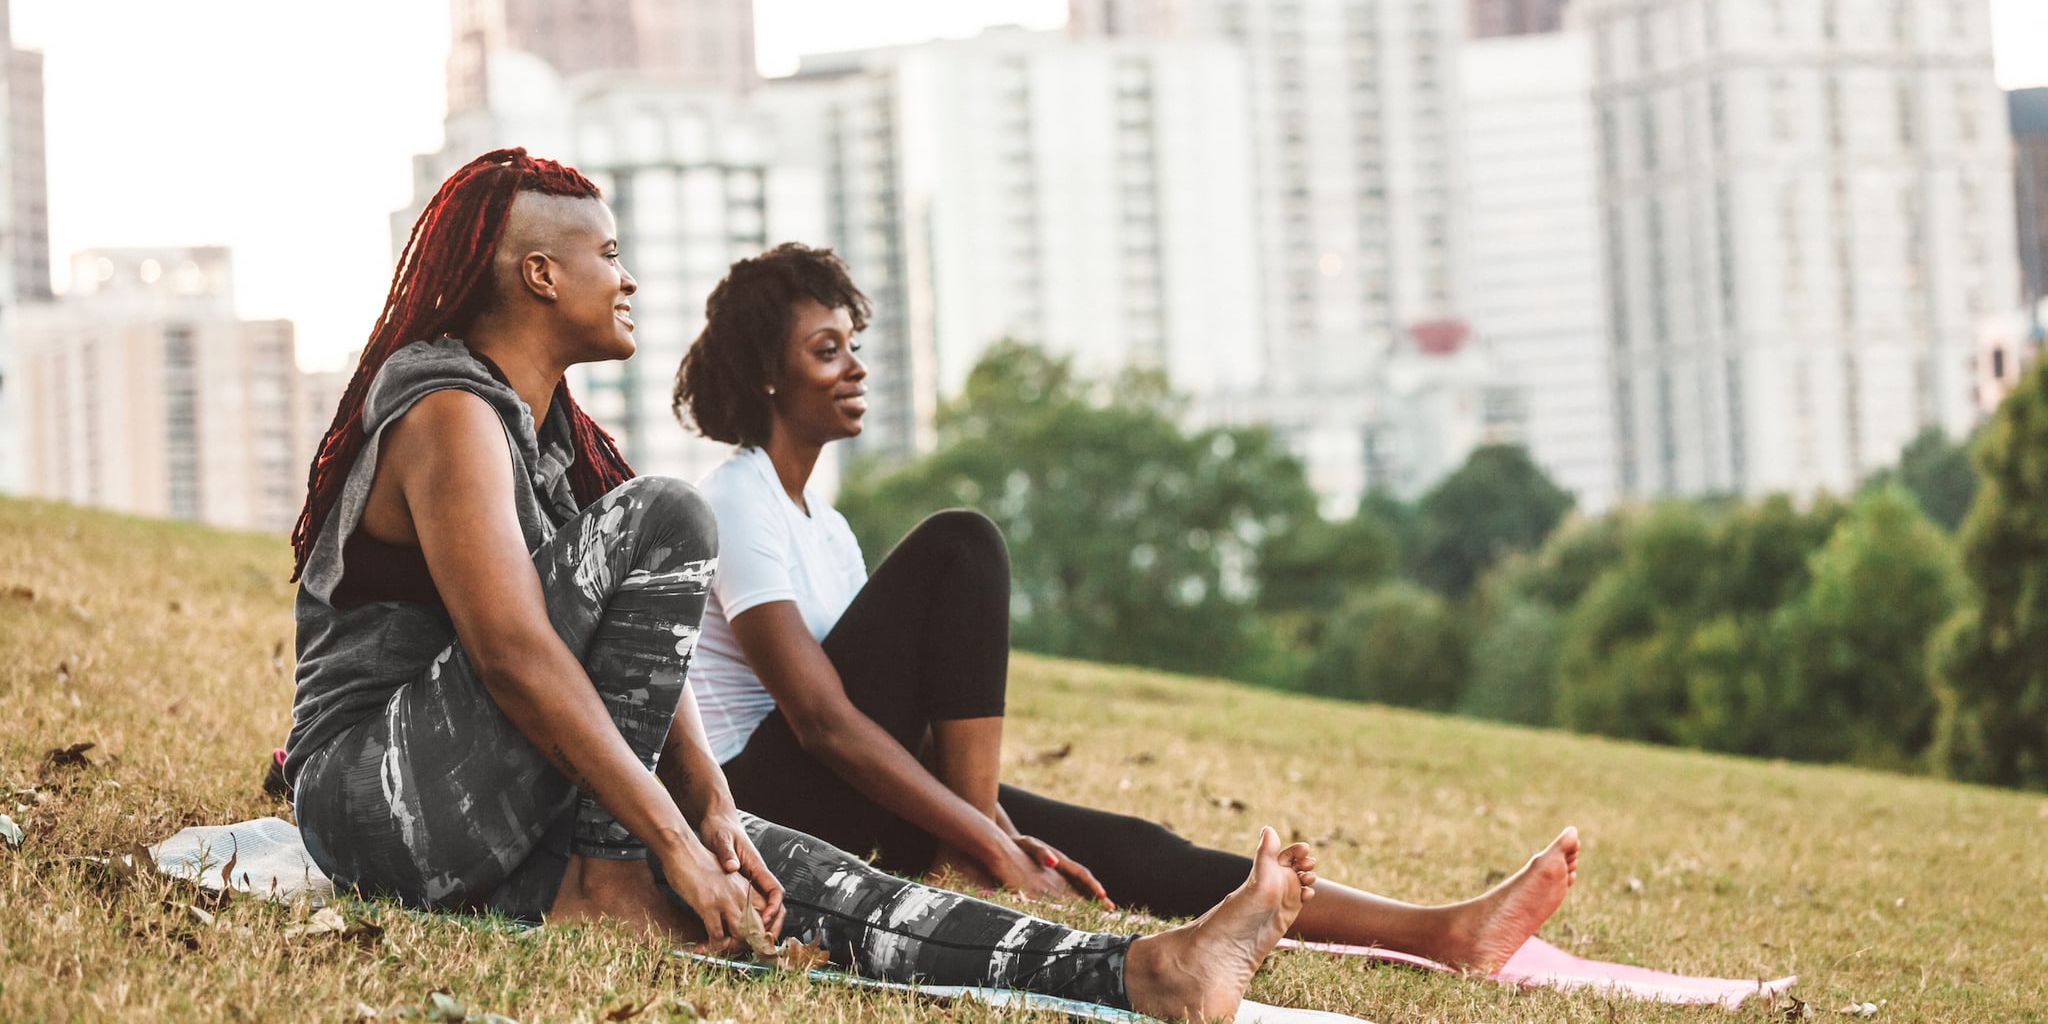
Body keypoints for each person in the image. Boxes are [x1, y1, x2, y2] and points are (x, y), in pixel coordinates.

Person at [282, 148, 1321, 1023]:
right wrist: (651, 840)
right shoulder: (448, 411)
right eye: (607, 253)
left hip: (498, 810)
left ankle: (1147, 973)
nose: (627, 277)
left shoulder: (551, 440)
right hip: (380, 797)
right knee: (667, 512)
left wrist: (714, 811)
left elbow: (632, 660)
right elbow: (515, 653)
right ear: (540, 274)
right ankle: (605, 885)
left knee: (807, 876)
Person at [675, 242, 1580, 972]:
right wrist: (993, 846)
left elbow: (877, 714)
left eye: (854, 344)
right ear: (766, 377)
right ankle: (991, 850)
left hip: (845, 788)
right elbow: (824, 721)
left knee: (1127, 845)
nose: (855, 367)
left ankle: (1438, 934)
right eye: (825, 350)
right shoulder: (738, 498)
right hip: (767, 806)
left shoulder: (824, 527)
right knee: (961, 543)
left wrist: (1002, 831)